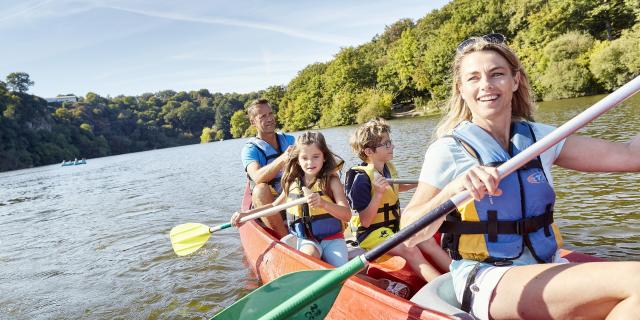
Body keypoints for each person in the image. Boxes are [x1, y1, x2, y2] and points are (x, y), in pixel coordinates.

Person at [400, 33, 640, 319]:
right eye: (473, 78)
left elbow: (631, 156)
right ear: (461, 89)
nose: (486, 85)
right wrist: (453, 190)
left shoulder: (541, 139)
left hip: (546, 264)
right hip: (486, 278)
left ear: (515, 81)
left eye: (497, 74)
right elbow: (410, 233)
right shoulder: (448, 150)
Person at [233, 131, 411, 298]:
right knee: (309, 260)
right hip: (307, 239)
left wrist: (323, 203)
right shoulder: (291, 182)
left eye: (315, 157)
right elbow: (272, 206)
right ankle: (341, 272)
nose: (310, 162)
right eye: (305, 158)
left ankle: (380, 284)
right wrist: (246, 215)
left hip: (332, 238)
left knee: (339, 272)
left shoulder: (331, 182)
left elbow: (347, 215)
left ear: (324, 157)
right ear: (298, 159)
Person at [345, 118, 451, 283]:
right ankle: (444, 289)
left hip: (392, 227)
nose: (392, 146)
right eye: (386, 144)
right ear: (369, 152)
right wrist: (378, 194)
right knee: (410, 249)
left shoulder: (387, 168)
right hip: (370, 233)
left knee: (426, 239)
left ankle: (459, 281)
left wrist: (427, 183)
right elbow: (365, 221)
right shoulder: (360, 178)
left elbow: (395, 188)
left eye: (390, 142)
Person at [241, 99, 295, 238]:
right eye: (263, 116)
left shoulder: (289, 140)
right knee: (260, 190)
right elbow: (258, 177)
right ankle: (286, 240)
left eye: (270, 113)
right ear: (253, 122)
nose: (269, 118)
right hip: (269, 204)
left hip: (291, 196)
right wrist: (283, 158)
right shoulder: (250, 150)